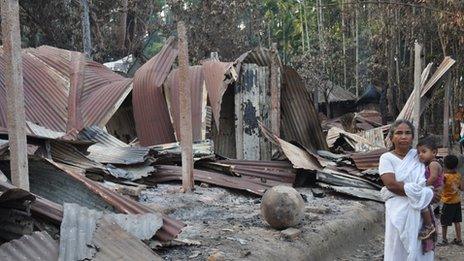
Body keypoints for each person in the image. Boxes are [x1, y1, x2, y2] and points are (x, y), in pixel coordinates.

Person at [379, 119, 435, 261]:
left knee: (420, 247)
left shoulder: (419, 156)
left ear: (413, 137)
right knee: (397, 248)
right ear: (391, 137)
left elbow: (432, 175)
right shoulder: (386, 158)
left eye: (408, 133)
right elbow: (391, 184)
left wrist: (434, 191)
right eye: (399, 133)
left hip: (421, 210)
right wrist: (425, 193)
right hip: (398, 211)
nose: (403, 136)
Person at [417, 137, 444, 240]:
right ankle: (433, 227)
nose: (420, 155)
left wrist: (422, 186)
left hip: (435, 190)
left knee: (423, 205)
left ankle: (429, 226)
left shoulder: (433, 164)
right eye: (419, 152)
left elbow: (433, 177)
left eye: (424, 151)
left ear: (434, 152)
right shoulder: (429, 164)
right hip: (434, 190)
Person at [438, 155, 464, 246]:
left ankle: (444, 240)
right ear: (456, 166)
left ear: (444, 165)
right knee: (457, 221)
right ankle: (459, 239)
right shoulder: (458, 175)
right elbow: (462, 188)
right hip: (457, 202)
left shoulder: (444, 177)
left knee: (444, 222)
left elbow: (441, 187)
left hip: (447, 202)